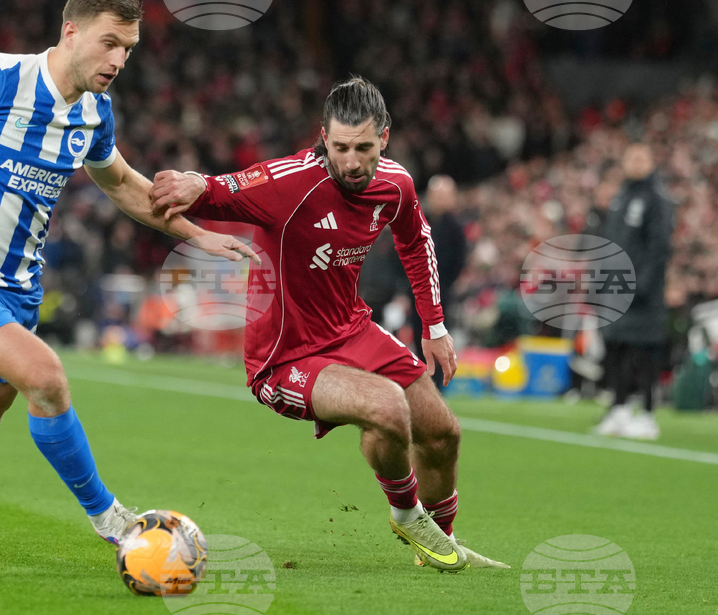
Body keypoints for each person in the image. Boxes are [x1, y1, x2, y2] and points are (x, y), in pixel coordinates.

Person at [0, 0, 258, 562]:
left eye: (128, 49)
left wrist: (198, 234)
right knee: (45, 377)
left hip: (18, 292)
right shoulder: (1, 79)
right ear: (71, 31)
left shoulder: (95, 113)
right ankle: (113, 520)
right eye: (109, 43)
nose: (118, 59)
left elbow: (122, 184)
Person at [150, 77, 507, 572]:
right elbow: (219, 189)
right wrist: (193, 182)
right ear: (324, 137)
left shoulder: (396, 184)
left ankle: (440, 542)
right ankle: (406, 514)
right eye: (340, 148)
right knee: (386, 407)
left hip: (351, 330)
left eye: (363, 147)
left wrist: (435, 326)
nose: (352, 161)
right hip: (285, 357)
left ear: (384, 137)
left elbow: (416, 242)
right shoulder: (289, 182)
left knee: (443, 431)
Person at [594, 143, 673, 440]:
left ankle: (649, 414)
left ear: (652, 161)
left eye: (642, 157)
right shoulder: (620, 196)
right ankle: (619, 408)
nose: (636, 162)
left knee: (644, 349)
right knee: (615, 347)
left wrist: (643, 283)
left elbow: (659, 246)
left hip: (642, 290)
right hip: (616, 286)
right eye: (631, 157)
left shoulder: (657, 198)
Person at [408, 175, 467, 388]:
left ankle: (439, 387)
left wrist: (441, 287)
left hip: (441, 296)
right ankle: (423, 384)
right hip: (415, 294)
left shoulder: (455, 228)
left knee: (440, 339)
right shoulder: (419, 220)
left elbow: (458, 263)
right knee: (418, 339)